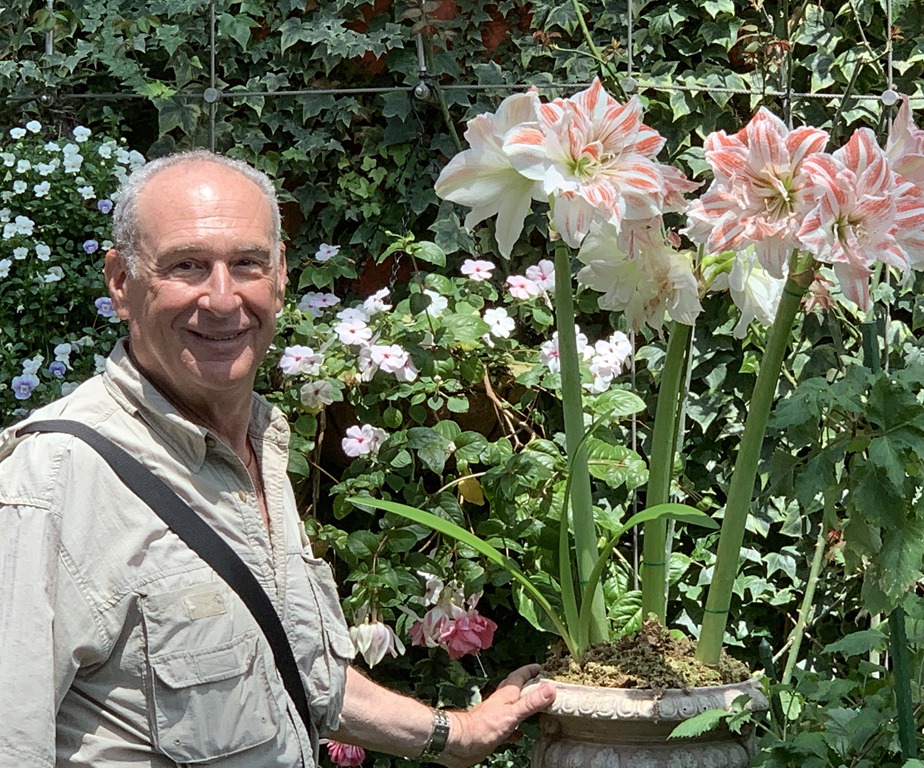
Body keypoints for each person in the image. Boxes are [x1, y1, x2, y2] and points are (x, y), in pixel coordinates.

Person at [0, 150, 555, 767]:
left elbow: (293, 670)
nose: (222, 298)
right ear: (120, 282)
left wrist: (456, 735)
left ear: (282, 275)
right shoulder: (53, 480)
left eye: (247, 263)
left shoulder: (255, 446)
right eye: (186, 265)